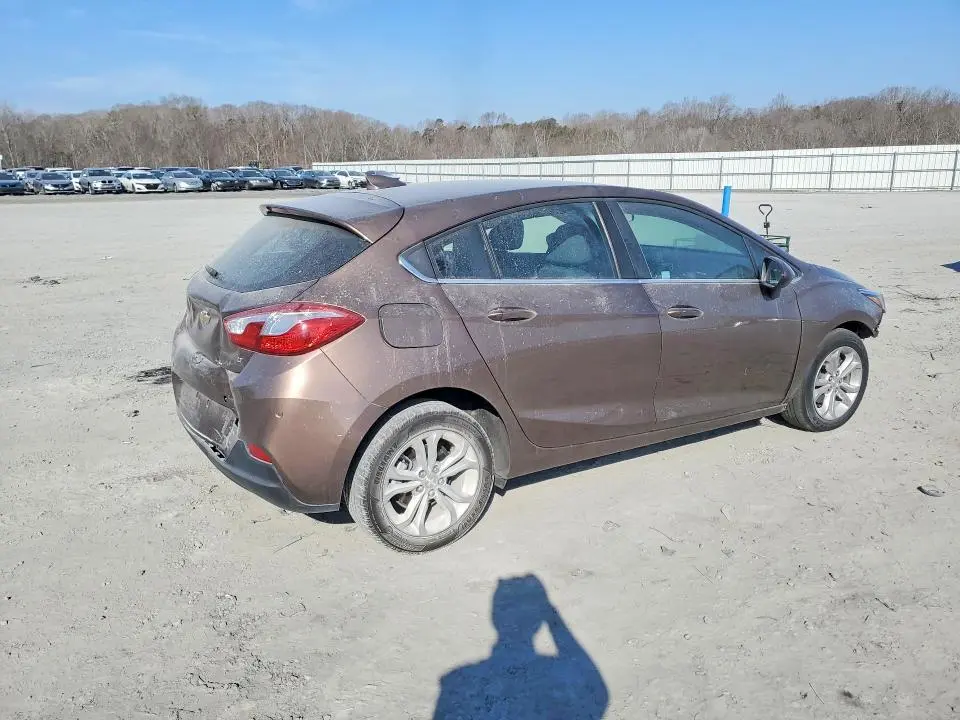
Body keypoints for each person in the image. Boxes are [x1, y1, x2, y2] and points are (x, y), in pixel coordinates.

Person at [433, 574, 608, 719]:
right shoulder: (557, 677)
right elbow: (596, 694)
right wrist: (553, 619)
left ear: (494, 617)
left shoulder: (459, 682)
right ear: (538, 622)